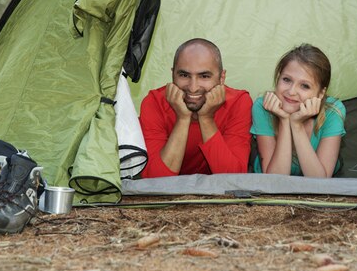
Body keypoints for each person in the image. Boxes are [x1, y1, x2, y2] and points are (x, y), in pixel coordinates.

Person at [140, 38, 253, 177]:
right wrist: (182, 118)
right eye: (184, 75)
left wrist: (206, 118)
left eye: (204, 76)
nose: (193, 88)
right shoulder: (154, 102)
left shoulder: (238, 102)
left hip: (215, 193)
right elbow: (155, 180)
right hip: (170, 194)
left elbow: (234, 177)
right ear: (172, 74)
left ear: (222, 78)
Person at [250, 44, 345, 178]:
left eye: (304, 86)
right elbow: (275, 179)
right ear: (278, 78)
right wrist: (284, 120)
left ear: (320, 93)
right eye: (287, 80)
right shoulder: (263, 106)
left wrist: (296, 125)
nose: (291, 91)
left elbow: (319, 181)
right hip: (271, 179)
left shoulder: (333, 111)